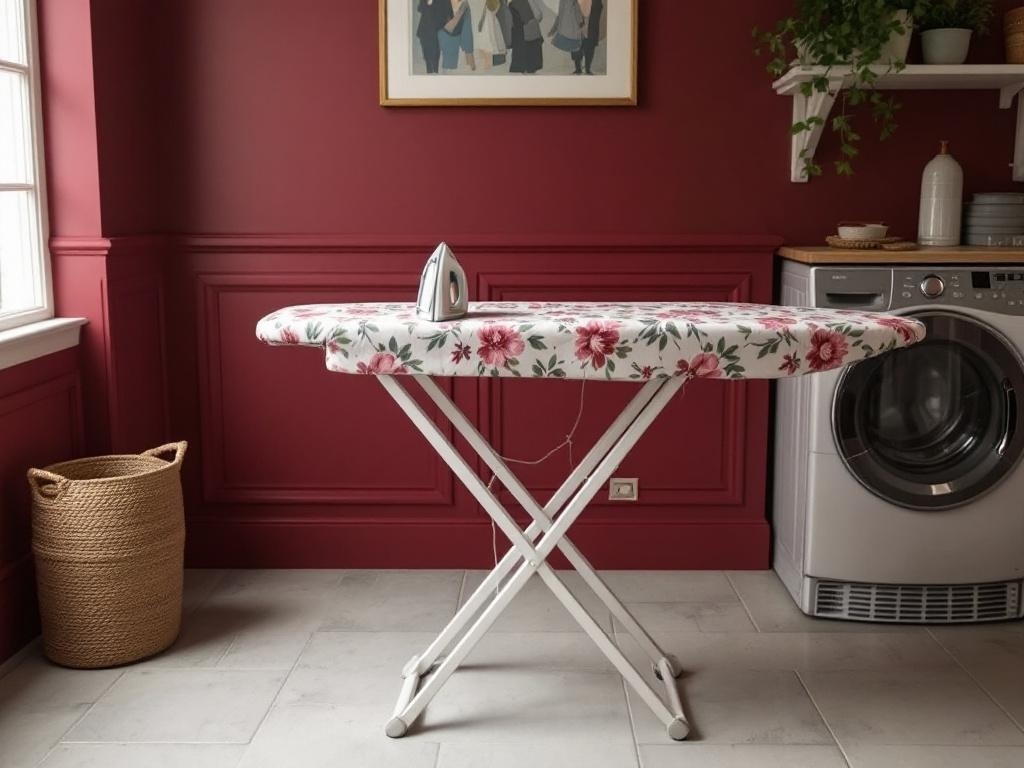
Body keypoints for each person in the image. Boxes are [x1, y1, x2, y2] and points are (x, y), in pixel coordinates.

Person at [438, 0, 475, 72]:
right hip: (446, 32)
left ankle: (469, 58)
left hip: (449, 31)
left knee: (465, 8)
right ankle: (469, 59)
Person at [508, 0, 543, 74]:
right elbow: (539, 16)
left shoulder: (512, 5)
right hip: (530, 33)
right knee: (531, 54)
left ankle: (527, 71)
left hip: (524, 34)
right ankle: (530, 70)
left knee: (526, 53)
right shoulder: (526, 2)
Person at [477, 0, 512, 68]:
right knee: (494, 41)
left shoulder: (499, 3)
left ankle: (491, 61)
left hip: (492, 23)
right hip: (492, 23)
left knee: (494, 41)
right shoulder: (498, 3)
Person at [550, 0, 584, 66]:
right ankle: (578, 68)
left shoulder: (564, 1)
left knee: (575, 49)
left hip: (568, 30)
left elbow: (560, 15)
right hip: (572, 30)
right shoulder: (572, 2)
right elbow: (578, 15)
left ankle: (578, 68)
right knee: (576, 48)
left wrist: (554, 29)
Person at [575, 0, 603, 75]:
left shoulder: (596, 2)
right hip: (579, 28)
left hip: (591, 28)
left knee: (590, 48)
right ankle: (578, 68)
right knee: (577, 47)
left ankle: (587, 68)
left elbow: (599, 9)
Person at [416, 0, 445, 74]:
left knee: (436, 53)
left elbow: (444, 11)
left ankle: (435, 71)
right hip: (424, 31)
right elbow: (419, 9)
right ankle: (429, 72)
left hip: (436, 30)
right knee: (426, 53)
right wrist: (427, 3)